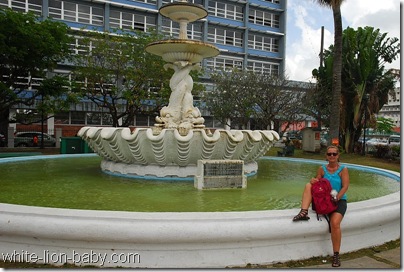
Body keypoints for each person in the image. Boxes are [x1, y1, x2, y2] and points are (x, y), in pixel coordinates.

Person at [292, 145, 349, 267]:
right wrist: (313, 180)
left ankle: (336, 255)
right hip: (324, 200)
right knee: (308, 185)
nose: (332, 156)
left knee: (335, 223)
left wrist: (337, 197)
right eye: (329, 154)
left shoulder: (343, 169)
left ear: (338, 156)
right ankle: (303, 212)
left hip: (338, 200)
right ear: (326, 156)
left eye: (334, 154)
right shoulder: (322, 169)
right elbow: (317, 183)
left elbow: (345, 186)